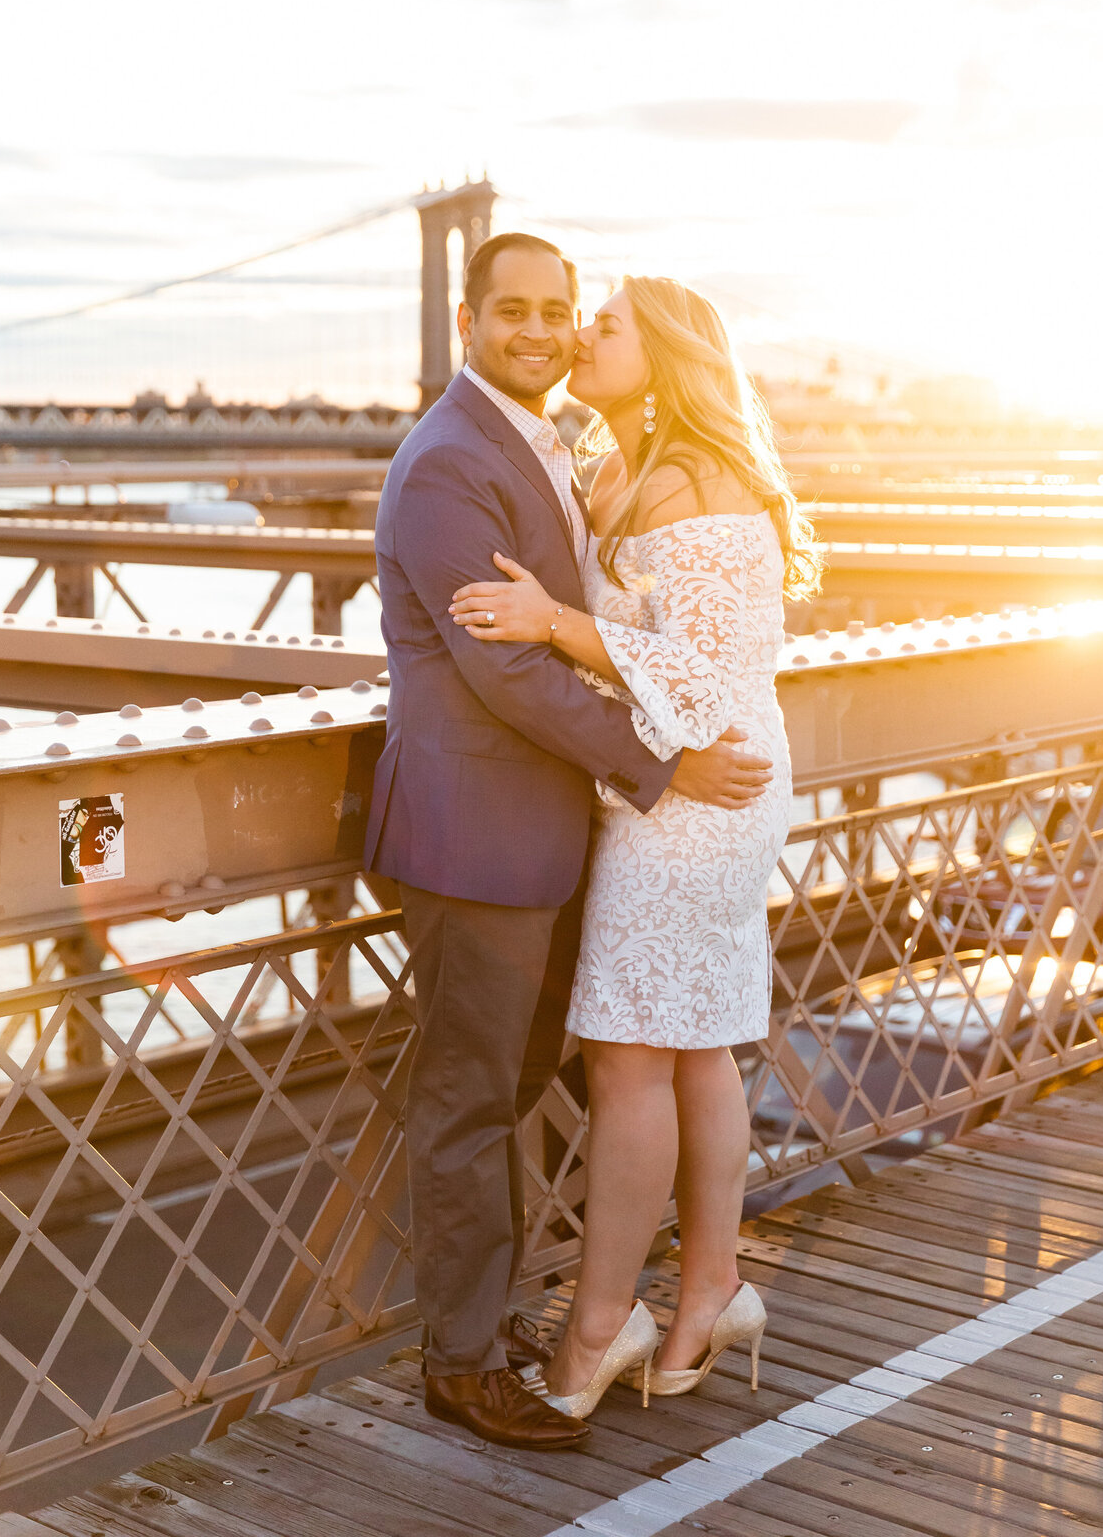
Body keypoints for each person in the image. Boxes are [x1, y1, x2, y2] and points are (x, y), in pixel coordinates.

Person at [365, 234, 775, 1451]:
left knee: (558, 1080)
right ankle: (465, 1363)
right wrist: (663, 763)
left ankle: (598, 1312)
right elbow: (503, 673)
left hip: (559, 832)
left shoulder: (560, 440)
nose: (545, 332)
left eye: (566, 313)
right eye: (518, 313)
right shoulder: (448, 462)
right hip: (479, 837)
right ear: (468, 320)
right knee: (473, 1103)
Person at [451, 274, 822, 1416]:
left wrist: (553, 623)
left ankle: (598, 1329)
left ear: (660, 353)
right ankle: (713, 1285)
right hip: (672, 779)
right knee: (695, 1046)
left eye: (600, 324)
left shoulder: (697, 481)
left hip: (703, 786)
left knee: (624, 1056)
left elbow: (709, 669)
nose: (574, 337)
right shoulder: (612, 463)